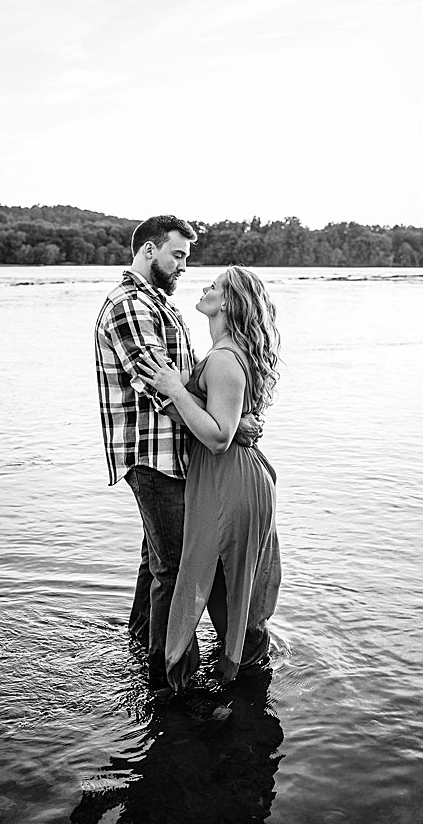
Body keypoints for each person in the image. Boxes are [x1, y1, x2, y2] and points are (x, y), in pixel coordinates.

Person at [93, 215, 260, 693]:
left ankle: (140, 647)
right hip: (154, 457)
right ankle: (170, 681)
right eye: (178, 255)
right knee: (175, 568)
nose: (185, 266)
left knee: (156, 561)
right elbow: (161, 393)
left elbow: (181, 384)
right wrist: (231, 423)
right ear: (149, 251)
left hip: (174, 455)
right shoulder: (131, 307)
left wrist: (227, 417)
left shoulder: (157, 306)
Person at [136, 266, 281, 691]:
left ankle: (210, 686)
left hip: (230, 480)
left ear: (229, 302)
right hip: (230, 478)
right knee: (222, 584)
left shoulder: (223, 360)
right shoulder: (222, 355)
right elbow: (219, 416)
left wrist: (176, 390)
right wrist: (178, 387)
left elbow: (218, 437)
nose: (204, 287)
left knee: (220, 583)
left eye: (215, 286)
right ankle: (242, 682)